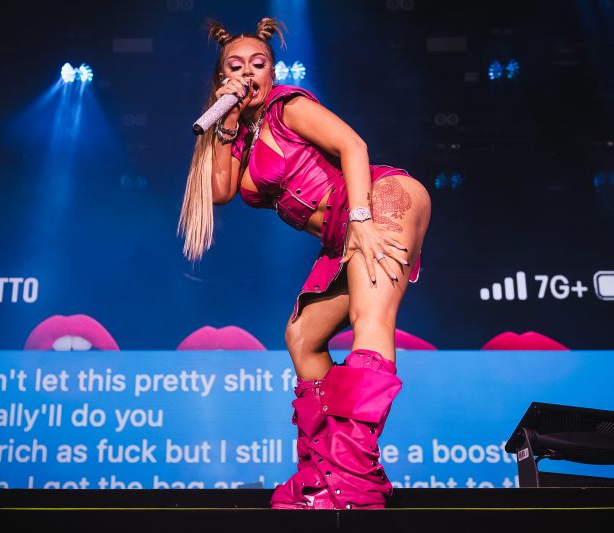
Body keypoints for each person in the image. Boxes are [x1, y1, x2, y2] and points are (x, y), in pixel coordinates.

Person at [178, 17, 431, 510]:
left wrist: (361, 218)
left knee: (370, 317)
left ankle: (351, 477)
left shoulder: (287, 107)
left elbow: (353, 146)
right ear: (221, 78)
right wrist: (225, 118)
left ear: (272, 73)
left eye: (258, 64)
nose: (248, 73)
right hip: (337, 235)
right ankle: (323, 469)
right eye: (236, 66)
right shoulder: (241, 137)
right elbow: (220, 191)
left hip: (377, 199)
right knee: (301, 336)